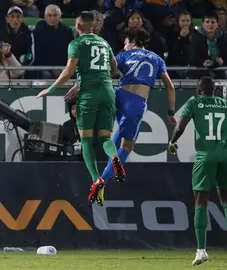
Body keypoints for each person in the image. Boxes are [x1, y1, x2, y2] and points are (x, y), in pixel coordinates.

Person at [72, 29, 177, 198]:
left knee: (116, 132)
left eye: (126, 42)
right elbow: (170, 87)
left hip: (117, 95)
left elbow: (99, 71)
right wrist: (171, 112)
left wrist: (78, 86)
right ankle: (102, 182)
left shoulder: (123, 55)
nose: (124, 45)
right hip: (136, 102)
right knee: (127, 146)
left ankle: (103, 159)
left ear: (133, 41)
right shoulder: (157, 59)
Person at [168, 76, 227, 266]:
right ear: (214, 90)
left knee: (200, 201)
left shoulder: (194, 103)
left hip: (205, 156)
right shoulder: (226, 104)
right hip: (226, 155)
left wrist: (172, 141)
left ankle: (201, 251)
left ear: (198, 91)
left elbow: (180, 126)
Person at [37, 12, 120, 205]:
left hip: (89, 95)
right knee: (105, 138)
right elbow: (114, 67)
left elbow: (68, 72)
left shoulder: (76, 43)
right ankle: (115, 157)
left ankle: (96, 179)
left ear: (79, 26)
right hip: (108, 93)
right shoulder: (104, 43)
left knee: (86, 140)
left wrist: (51, 89)